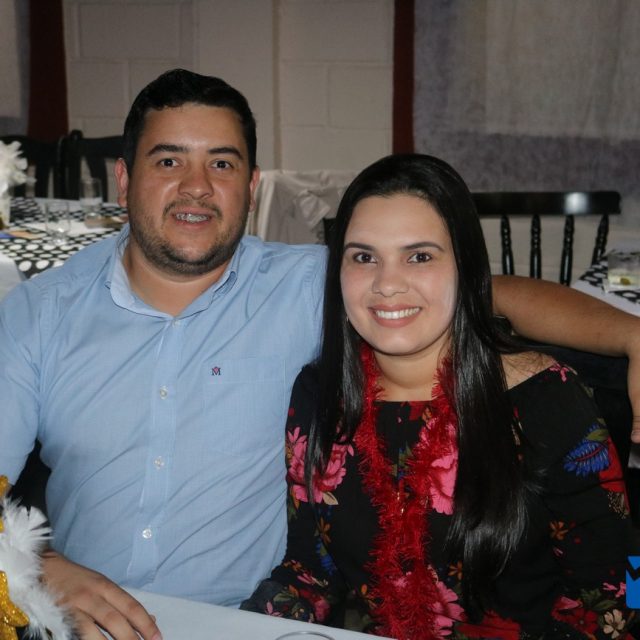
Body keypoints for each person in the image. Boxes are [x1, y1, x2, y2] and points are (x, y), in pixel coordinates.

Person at [0, 70, 638, 640]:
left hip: (238, 619)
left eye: (221, 164)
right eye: (169, 160)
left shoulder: (317, 288)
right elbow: (313, 569)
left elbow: (479, 294)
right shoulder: (40, 312)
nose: (196, 187)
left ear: (252, 187)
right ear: (123, 178)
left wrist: (632, 334)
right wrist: (39, 565)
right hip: (79, 618)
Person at [242, 154, 638, 638]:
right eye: (364, 257)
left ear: (465, 268)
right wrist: (240, 628)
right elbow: (311, 573)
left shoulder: (545, 399)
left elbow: (625, 589)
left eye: (420, 256)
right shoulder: (320, 393)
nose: (387, 284)